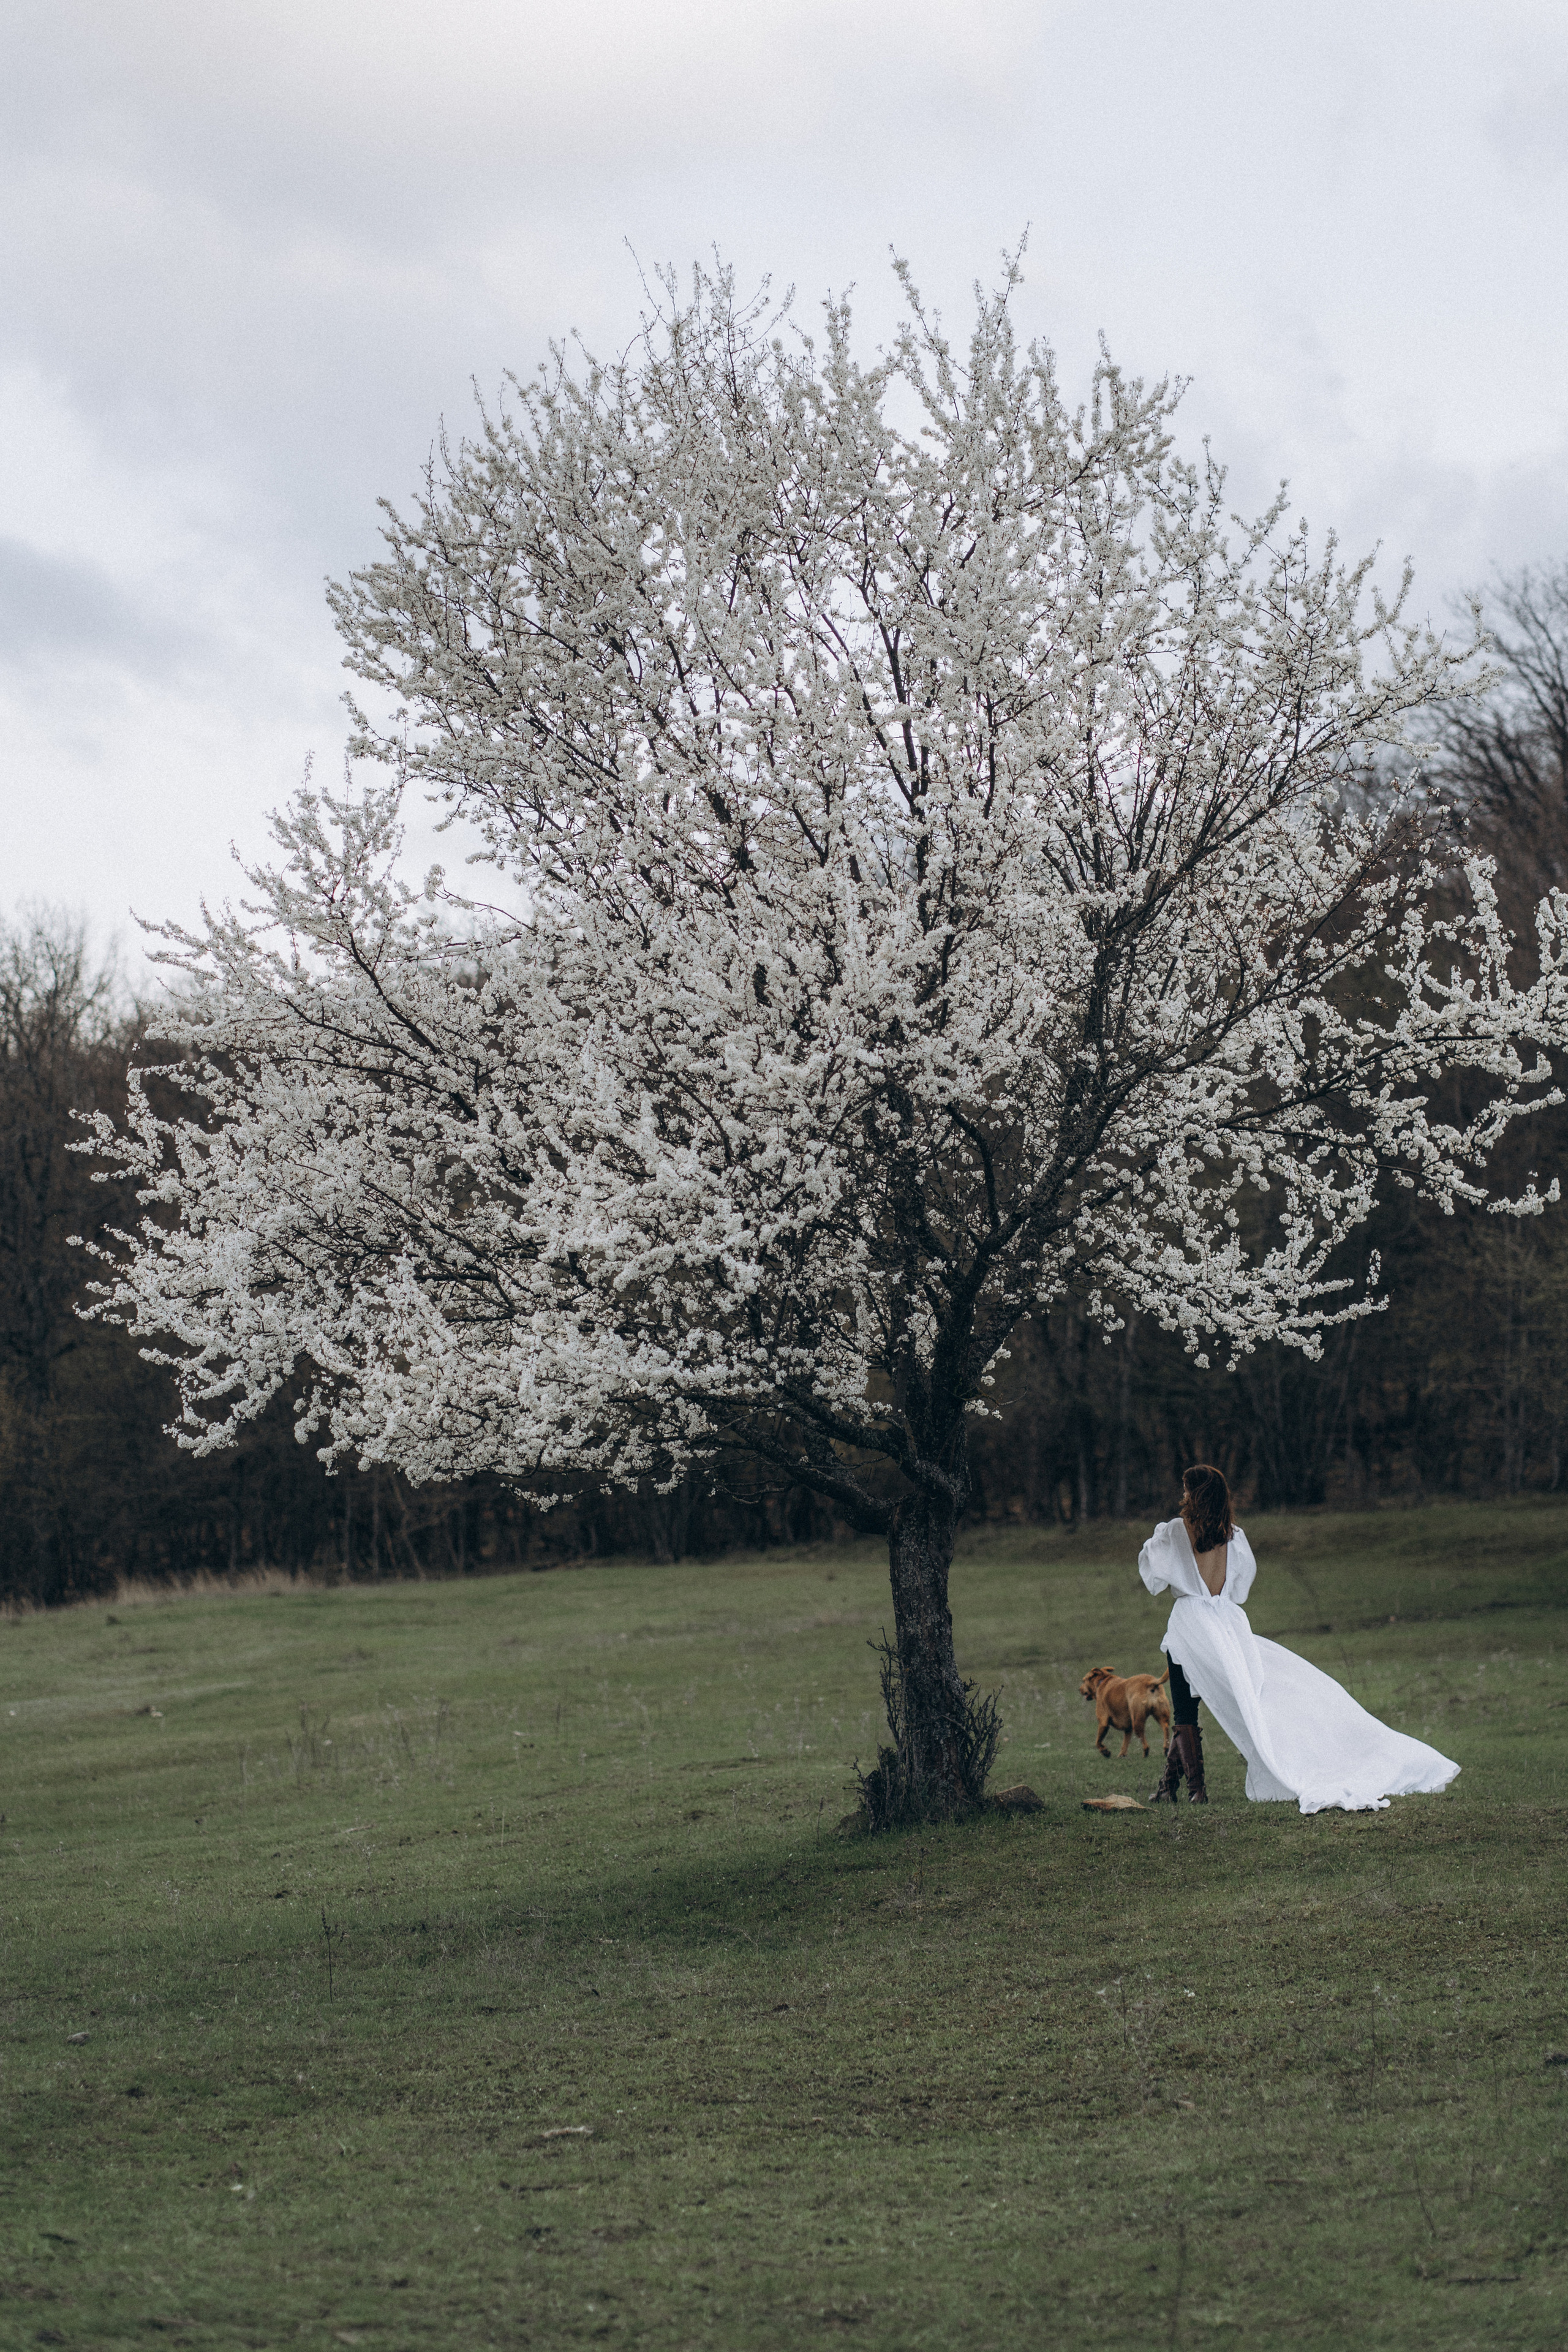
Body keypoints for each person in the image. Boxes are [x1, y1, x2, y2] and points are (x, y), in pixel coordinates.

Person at [1139, 1464, 1460, 1814]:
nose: (1183, 1497)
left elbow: (1154, 1578)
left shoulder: (1176, 1532)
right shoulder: (1233, 1536)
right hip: (1226, 1622)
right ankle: (1169, 1787)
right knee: (1236, 1697)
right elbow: (1238, 1590)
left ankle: (1196, 1791)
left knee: (1186, 1707)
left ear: (1195, 1495)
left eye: (1187, 1491)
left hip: (1191, 1622)